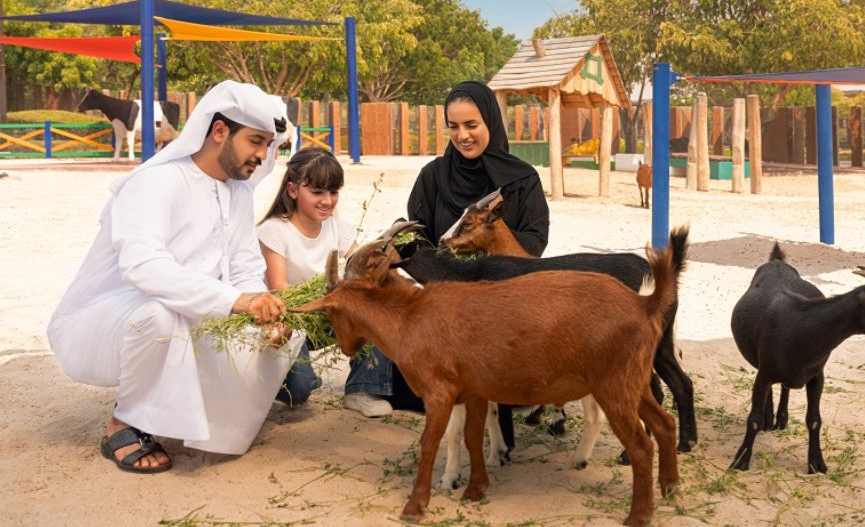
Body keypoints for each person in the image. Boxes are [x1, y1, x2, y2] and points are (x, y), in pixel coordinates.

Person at [47, 80, 301, 473]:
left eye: (268, 146)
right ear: (219, 131)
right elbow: (144, 267)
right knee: (164, 316)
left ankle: (184, 410)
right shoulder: (155, 183)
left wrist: (260, 308)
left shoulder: (237, 193)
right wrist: (236, 301)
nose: (262, 156)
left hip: (191, 313)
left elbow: (245, 266)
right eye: (255, 142)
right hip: (105, 321)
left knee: (285, 344)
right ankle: (123, 423)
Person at [342, 79, 549, 417]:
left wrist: (483, 247)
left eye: (471, 125)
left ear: (491, 123)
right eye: (453, 126)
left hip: (500, 292)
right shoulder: (434, 175)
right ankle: (366, 384)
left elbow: (535, 239)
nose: (462, 135)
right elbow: (417, 232)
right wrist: (440, 263)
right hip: (442, 290)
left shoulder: (522, 180)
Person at [258, 147, 356, 407]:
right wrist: (328, 298)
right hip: (293, 319)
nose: (327, 201)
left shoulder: (339, 228)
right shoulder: (275, 230)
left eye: (333, 192)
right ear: (293, 190)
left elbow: (359, 269)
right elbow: (279, 288)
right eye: (317, 192)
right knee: (298, 393)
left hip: (329, 316)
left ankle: (365, 386)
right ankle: (296, 380)